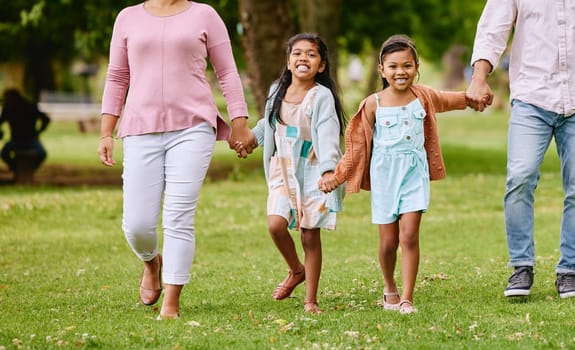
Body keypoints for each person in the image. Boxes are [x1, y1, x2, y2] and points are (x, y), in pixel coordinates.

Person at [465, 0, 575, 298]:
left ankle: (569, 273)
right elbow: (492, 28)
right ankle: (521, 267)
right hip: (531, 95)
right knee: (519, 177)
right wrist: (479, 78)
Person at [97, 0, 255, 320]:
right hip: (140, 128)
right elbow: (117, 76)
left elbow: (227, 71)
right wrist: (105, 131)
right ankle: (152, 262)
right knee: (138, 224)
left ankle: (171, 303)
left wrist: (239, 120)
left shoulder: (205, 15)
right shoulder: (127, 17)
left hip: (193, 127)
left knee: (178, 215)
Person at [319, 35, 472, 314]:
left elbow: (447, 99)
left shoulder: (422, 96)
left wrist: (471, 99)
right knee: (389, 243)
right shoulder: (373, 104)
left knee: (410, 235)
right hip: (385, 177)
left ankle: (407, 298)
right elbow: (356, 148)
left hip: (414, 173)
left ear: (416, 67)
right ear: (381, 69)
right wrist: (336, 176)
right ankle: (390, 287)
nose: (400, 72)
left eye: (407, 65)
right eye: (393, 66)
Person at [240, 33, 346, 314]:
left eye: (311, 54)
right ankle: (295, 270)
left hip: (312, 168)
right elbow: (270, 122)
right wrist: (252, 138)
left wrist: (328, 171)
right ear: (288, 62)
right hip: (282, 168)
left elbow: (328, 134)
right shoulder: (277, 90)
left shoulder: (321, 97)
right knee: (276, 225)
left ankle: (311, 299)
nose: (303, 58)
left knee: (310, 236)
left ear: (321, 66)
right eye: (297, 53)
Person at [0, 88, 50, 175]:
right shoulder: (8, 109)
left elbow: (45, 119)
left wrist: (39, 131)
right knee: (4, 153)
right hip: (15, 140)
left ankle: (30, 170)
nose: (7, 101)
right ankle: (15, 169)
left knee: (42, 154)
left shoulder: (29, 107)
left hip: (31, 140)